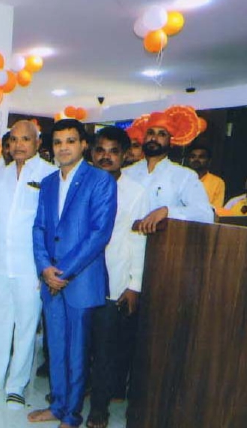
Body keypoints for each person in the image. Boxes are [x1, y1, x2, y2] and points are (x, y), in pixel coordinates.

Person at [26, 119, 117, 428]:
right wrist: (44, 268)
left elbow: (99, 233)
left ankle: (72, 415)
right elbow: (39, 227)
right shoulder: (49, 182)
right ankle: (58, 405)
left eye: (70, 141)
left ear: (83, 145)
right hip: (50, 278)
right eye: (58, 142)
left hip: (79, 280)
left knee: (77, 351)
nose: (63, 147)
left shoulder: (100, 180)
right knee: (56, 347)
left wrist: (61, 273)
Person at [0, 120, 57, 410]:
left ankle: (16, 385)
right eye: (14, 140)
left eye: (25, 139)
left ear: (37, 143)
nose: (19, 145)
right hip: (1, 264)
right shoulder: (1, 176)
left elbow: (51, 225)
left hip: (31, 266)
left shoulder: (49, 175)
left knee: (26, 326)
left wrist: (45, 266)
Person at [86, 127, 149, 428]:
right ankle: (70, 398)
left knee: (105, 351)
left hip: (114, 280)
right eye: (100, 150)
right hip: (79, 281)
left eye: (113, 151)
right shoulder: (80, 184)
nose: (106, 156)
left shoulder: (136, 192)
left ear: (124, 155)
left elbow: (139, 240)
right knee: (78, 347)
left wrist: (134, 285)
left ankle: (99, 409)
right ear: (91, 152)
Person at [123, 111, 214, 233]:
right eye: (150, 133)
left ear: (171, 142)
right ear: (144, 138)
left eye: (162, 134)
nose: (154, 138)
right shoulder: (126, 173)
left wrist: (168, 211)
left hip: (160, 242)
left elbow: (205, 214)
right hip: (124, 241)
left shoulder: (184, 176)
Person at [187, 144, 225, 209]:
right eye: (193, 157)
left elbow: (216, 209)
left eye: (201, 157)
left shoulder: (217, 182)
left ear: (209, 161)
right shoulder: (181, 178)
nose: (196, 159)